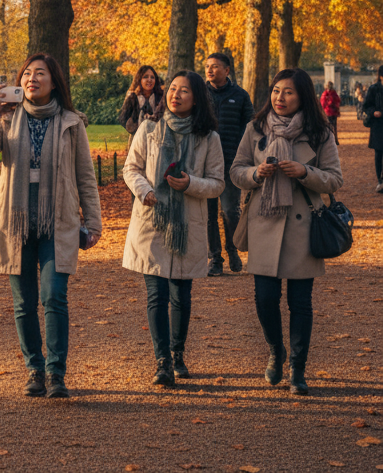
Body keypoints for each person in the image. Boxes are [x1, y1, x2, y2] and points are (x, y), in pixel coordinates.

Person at [0, 53, 102, 399]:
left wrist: (94, 221)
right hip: (16, 223)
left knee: (54, 296)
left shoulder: (72, 123)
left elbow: (85, 176)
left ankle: (56, 372)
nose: (31, 79)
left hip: (58, 222)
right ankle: (35, 369)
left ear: (54, 81)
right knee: (24, 303)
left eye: (39, 73)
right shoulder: (7, 118)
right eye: (26, 74)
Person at [230, 68, 343, 394]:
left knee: (300, 302)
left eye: (289, 92)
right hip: (264, 221)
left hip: (303, 227)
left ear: (302, 95)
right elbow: (236, 171)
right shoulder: (255, 128)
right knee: (265, 299)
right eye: (277, 91)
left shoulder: (320, 133)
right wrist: (256, 172)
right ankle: (275, 351)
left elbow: (335, 179)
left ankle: (298, 367)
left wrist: (305, 171)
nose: (280, 98)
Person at [123, 71, 225, 387]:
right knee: (157, 294)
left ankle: (177, 352)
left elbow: (218, 183)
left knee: (181, 294)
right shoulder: (149, 128)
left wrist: (190, 183)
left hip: (188, 226)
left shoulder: (209, 138)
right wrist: (144, 190)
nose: (175, 95)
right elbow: (131, 168)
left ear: (196, 98)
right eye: (173, 89)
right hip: (152, 221)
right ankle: (162, 361)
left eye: (184, 91)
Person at [204, 52, 254, 276]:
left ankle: (232, 249)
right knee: (208, 213)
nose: (210, 70)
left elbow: (250, 127)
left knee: (230, 211)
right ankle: (215, 258)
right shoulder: (199, 94)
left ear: (227, 70)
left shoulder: (240, 95)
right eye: (207, 66)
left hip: (230, 161)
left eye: (215, 66)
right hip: (203, 164)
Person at [118, 66, 164, 149]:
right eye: (145, 77)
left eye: (152, 77)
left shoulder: (161, 97)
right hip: (136, 141)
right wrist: (134, 128)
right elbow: (122, 118)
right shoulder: (133, 98)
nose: (149, 80)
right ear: (139, 79)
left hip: (157, 140)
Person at [362, 65, 383, 192]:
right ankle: (380, 180)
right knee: (379, 154)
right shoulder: (374, 89)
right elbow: (366, 106)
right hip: (378, 125)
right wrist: (373, 112)